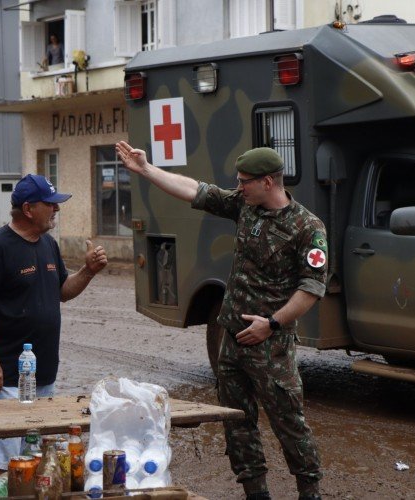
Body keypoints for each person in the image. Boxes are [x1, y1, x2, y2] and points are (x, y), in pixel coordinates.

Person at [116, 141, 326, 500]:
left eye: (245, 181)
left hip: (270, 345)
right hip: (231, 340)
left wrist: (271, 324)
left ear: (269, 183)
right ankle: (255, 493)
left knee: (289, 423)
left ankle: (310, 491)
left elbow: (311, 288)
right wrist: (146, 170)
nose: (239, 186)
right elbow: (195, 191)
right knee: (237, 422)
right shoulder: (245, 206)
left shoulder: (306, 227)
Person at [0, 174, 107, 481]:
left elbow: (62, 291)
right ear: (29, 209)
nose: (56, 210)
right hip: (5, 373)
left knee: (37, 456)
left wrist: (88, 271)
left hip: (42, 373)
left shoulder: (48, 245)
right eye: (50, 205)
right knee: (2, 456)